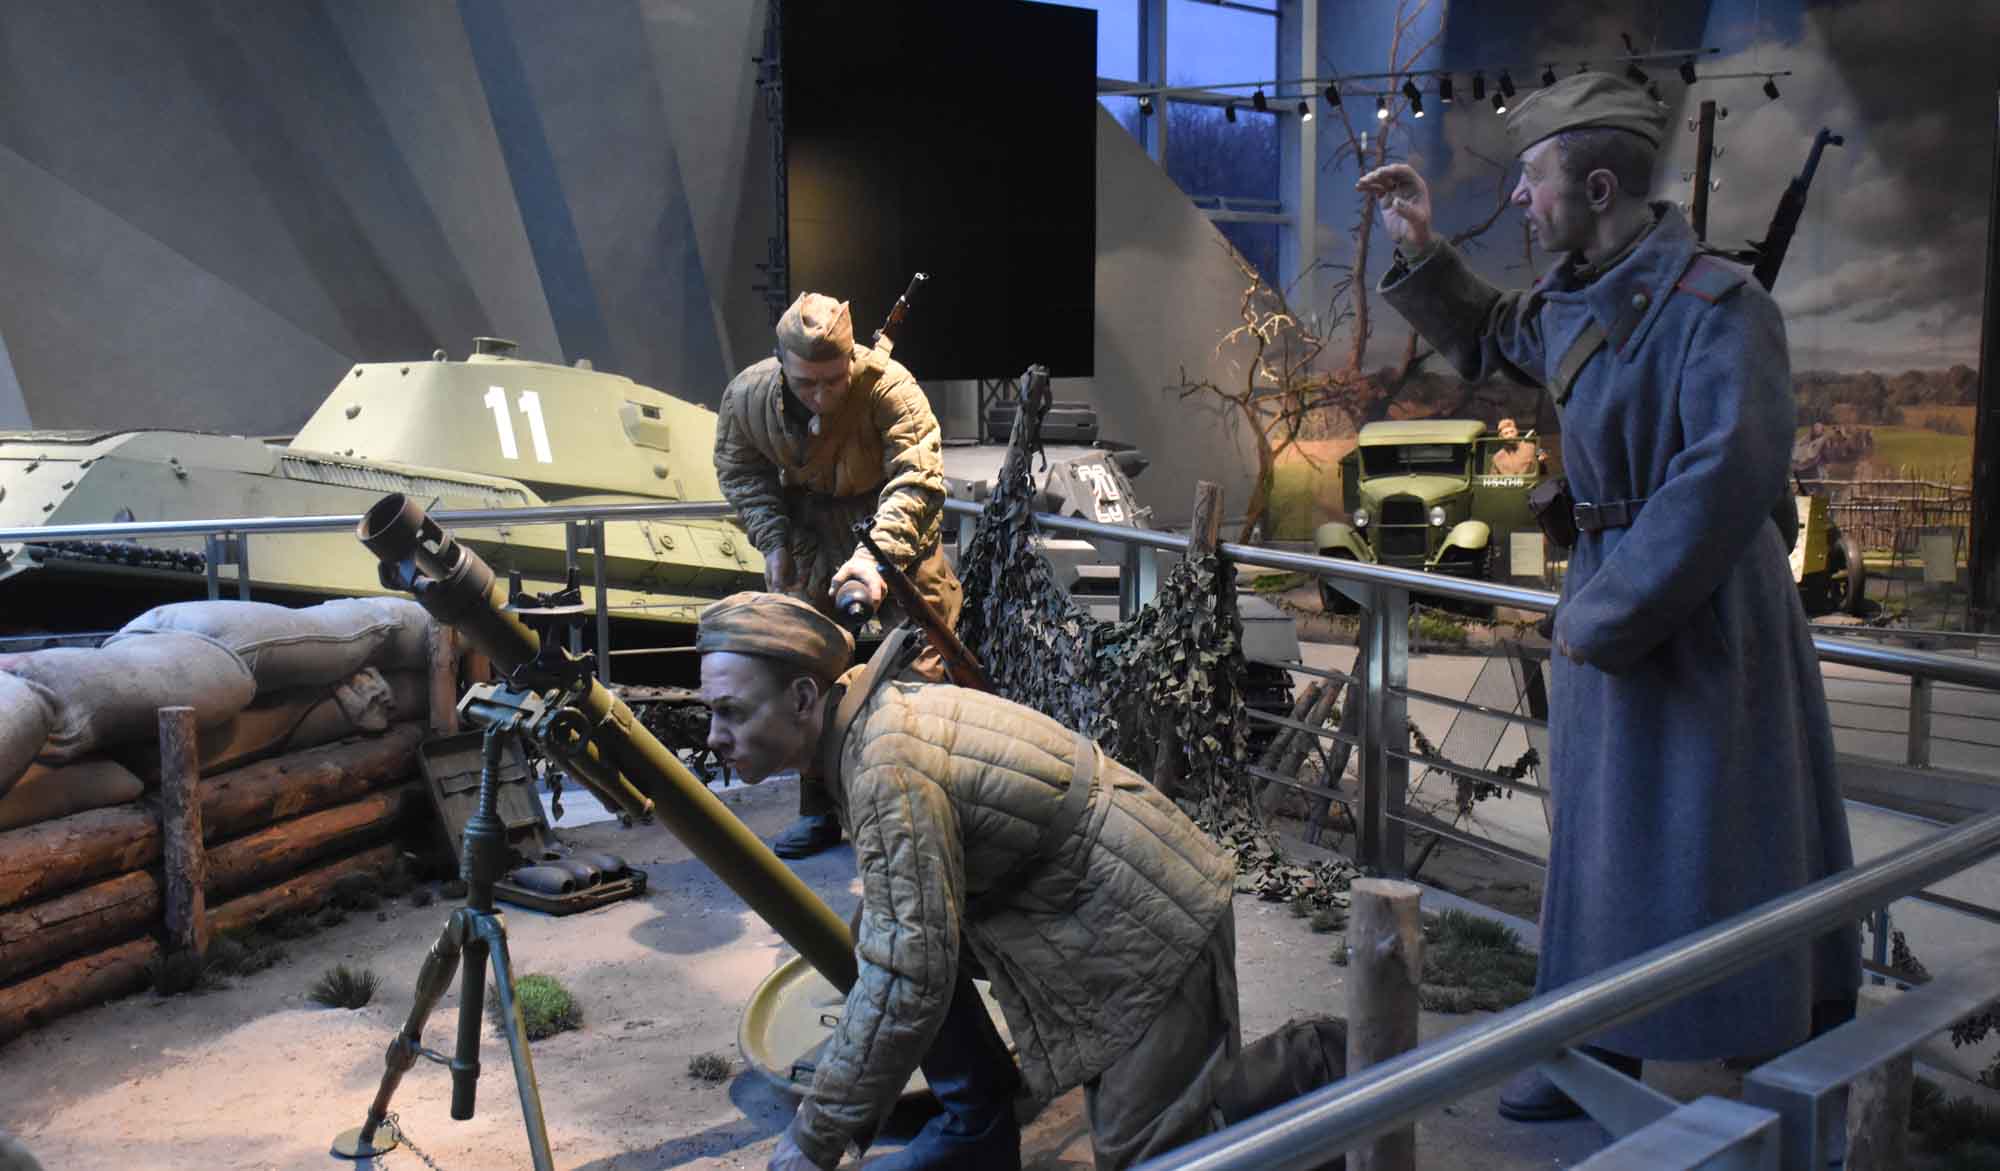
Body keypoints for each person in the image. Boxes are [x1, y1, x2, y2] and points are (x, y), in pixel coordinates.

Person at [1357, 71, 1859, 1122]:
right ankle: (1588, 1040)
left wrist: (1604, 610)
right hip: (1613, 592)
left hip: (1705, 614)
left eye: (1533, 179)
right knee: (1598, 846)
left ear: (1594, 188)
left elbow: (1725, 475)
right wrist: (1420, 245)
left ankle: (1764, 1042)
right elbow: (1494, 332)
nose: (1520, 200)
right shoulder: (1576, 298)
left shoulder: (1722, 310)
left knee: (1716, 835)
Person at [695, 592, 1240, 1171]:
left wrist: (814, 1138)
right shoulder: (870, 727)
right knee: (882, 927)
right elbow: (906, 947)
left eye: (732, 712)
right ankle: (976, 1130)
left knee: (1155, 1156)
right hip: (1101, 903)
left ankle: (1306, 1070)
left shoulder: (886, 766)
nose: (713, 736)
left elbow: (905, 979)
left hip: (1151, 930)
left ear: (804, 699)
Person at [714, 292, 964, 859]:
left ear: (852, 359)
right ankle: (819, 809)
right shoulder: (747, 398)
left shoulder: (891, 389)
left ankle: (919, 805)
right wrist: (773, 541)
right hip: (809, 532)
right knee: (805, 670)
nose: (822, 396)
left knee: (928, 658)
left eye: (834, 380)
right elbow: (741, 471)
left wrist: (876, 558)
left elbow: (917, 479)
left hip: (895, 529)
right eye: (807, 383)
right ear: (781, 364)